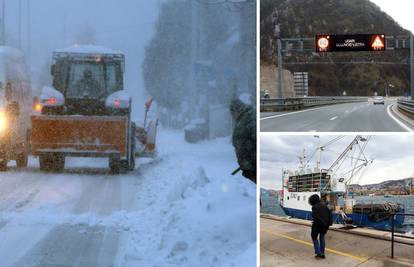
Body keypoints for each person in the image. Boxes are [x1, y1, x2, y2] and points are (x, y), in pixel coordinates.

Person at [230, 96, 256, 184]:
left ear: (236, 111)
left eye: (232, 114)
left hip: (252, 167)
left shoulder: (242, 125)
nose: (233, 118)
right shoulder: (253, 114)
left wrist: (247, 167)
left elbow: (241, 148)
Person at [308, 194, 333, 259]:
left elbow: (315, 216)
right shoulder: (324, 205)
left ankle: (318, 252)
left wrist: (314, 222)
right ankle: (322, 253)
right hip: (325, 225)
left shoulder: (314, 207)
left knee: (314, 237)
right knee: (322, 237)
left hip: (318, 224)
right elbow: (330, 214)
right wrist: (329, 223)